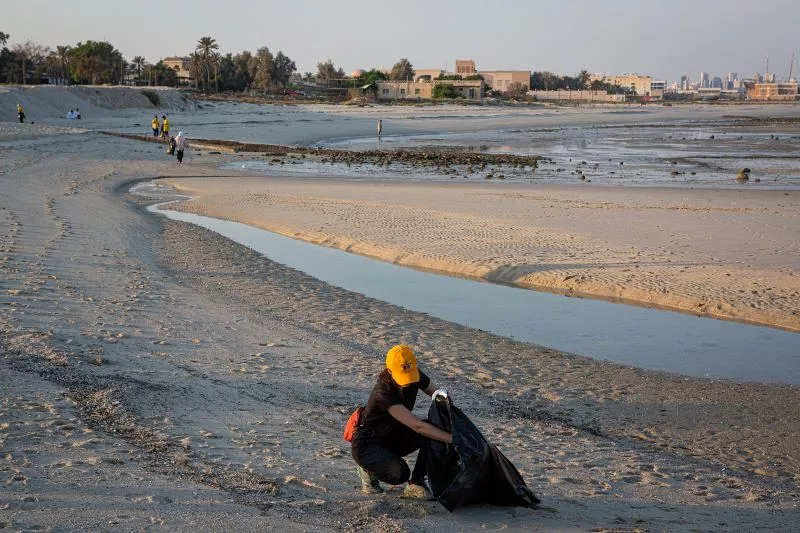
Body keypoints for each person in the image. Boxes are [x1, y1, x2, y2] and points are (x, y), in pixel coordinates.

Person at [351, 344, 452, 497]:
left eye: (410, 374)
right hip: (368, 444)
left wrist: (444, 397)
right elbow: (417, 426)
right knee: (400, 474)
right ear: (390, 370)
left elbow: (437, 393)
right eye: (403, 375)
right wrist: (453, 439)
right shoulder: (383, 392)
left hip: (394, 436)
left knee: (433, 431)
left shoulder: (414, 373)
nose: (408, 381)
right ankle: (368, 469)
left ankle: (416, 483)